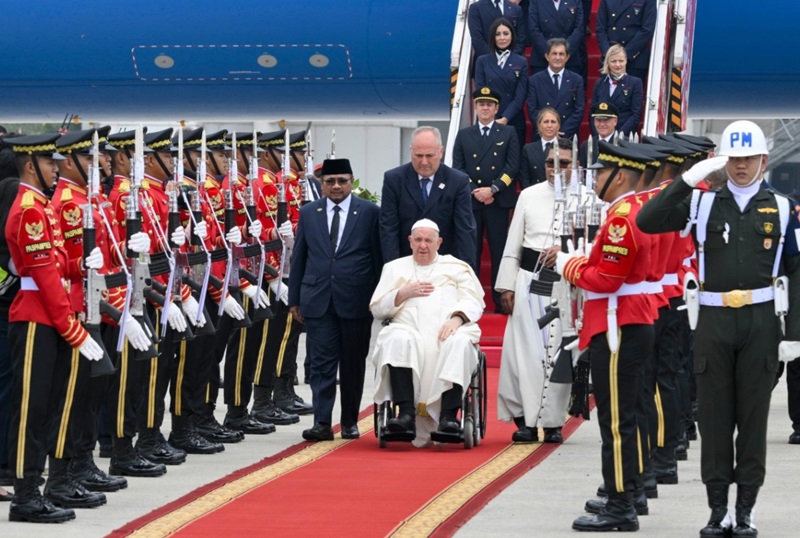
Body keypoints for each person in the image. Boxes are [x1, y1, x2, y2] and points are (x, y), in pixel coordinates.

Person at [637, 120, 800, 536]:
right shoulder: (701, 203)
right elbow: (648, 221)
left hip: (761, 323)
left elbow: (797, 273)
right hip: (712, 320)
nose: (741, 166)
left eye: (748, 159)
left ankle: (745, 509)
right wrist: (687, 181)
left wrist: (794, 333)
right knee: (713, 419)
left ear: (763, 161)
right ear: (722, 161)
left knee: (752, 420)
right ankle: (716, 509)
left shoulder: (783, 208)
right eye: (733, 159)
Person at [4, 134, 107, 523]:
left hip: (50, 316)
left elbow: (59, 266)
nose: (55, 169)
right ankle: (25, 495)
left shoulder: (42, 207)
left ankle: (43, 487)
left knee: (49, 408)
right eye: (50, 163)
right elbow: (44, 276)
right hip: (36, 318)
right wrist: (72, 329)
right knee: (31, 410)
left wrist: (82, 266)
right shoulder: (30, 209)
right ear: (31, 165)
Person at [557, 142, 655, 532]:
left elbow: (605, 279)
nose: (595, 178)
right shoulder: (630, 211)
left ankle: (620, 504)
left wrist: (569, 264)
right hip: (626, 321)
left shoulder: (622, 218)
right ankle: (625, 493)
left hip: (618, 325)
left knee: (615, 421)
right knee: (624, 415)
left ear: (621, 176)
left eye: (601, 173)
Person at [289, 158, 383, 441]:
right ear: (321, 184)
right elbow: (299, 258)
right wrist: (295, 299)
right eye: (330, 181)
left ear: (352, 181)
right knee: (321, 364)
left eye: (342, 180)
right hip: (318, 300)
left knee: (353, 364)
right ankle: (321, 422)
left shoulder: (368, 212)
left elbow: (378, 258)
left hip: (356, 301)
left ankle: (350, 421)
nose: (337, 186)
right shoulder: (309, 212)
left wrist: (379, 298)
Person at [495, 137, 582, 444]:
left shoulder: (587, 198)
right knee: (527, 355)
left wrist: (566, 249)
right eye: (550, 163)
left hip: (566, 286)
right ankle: (528, 423)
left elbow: (593, 246)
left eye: (564, 163)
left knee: (559, 355)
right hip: (527, 283)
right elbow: (513, 240)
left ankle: (554, 422)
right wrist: (505, 285)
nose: (556, 169)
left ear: (576, 166)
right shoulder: (528, 196)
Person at [371, 219, 484, 447]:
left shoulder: (457, 267)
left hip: (448, 330)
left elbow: (474, 300)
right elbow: (377, 309)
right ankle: (405, 414)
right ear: (410, 241)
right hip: (408, 330)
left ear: (439, 242)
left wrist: (457, 318)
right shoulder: (394, 268)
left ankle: (449, 417)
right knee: (396, 338)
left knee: (459, 342)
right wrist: (401, 293)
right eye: (418, 240)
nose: (423, 245)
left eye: (428, 240)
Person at [452, 87, 520, 311]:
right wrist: (475, 190)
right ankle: (470, 301)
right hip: (472, 202)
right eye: (481, 104)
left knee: (499, 252)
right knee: (470, 252)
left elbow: (512, 167)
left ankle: (501, 302)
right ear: (476, 107)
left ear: (496, 108)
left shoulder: (508, 133)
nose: (485, 108)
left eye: (489, 104)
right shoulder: (464, 135)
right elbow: (459, 168)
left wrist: (493, 189)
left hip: (497, 201)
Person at [380, 126, 476, 267]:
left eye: (430, 155)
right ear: (411, 151)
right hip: (406, 263)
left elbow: (465, 230)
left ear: (441, 152)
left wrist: (466, 271)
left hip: (445, 264)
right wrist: (393, 268)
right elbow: (388, 228)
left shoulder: (458, 182)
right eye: (418, 156)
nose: (424, 162)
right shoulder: (394, 179)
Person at [475, 18, 529, 151]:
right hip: (489, 120)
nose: (502, 38)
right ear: (492, 37)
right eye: (498, 34)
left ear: (512, 36)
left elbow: (520, 96)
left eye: (506, 33)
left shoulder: (521, 62)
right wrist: (493, 117)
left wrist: (505, 118)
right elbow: (480, 91)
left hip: (514, 120)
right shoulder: (482, 61)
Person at [527, 38, 585, 140]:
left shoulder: (576, 80)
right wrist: (548, 131)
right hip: (542, 137)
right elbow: (532, 109)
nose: (557, 57)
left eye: (561, 54)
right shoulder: (534, 80)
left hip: (566, 136)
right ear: (546, 56)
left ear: (567, 57)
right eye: (554, 54)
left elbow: (578, 110)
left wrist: (562, 132)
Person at [596, 0, 657, 83]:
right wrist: (609, 53)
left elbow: (647, 30)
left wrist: (624, 55)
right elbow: (601, 29)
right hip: (610, 58)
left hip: (634, 57)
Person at [590, 44, 643, 137]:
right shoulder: (600, 83)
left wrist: (618, 135)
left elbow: (636, 114)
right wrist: (598, 134)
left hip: (623, 136)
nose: (617, 65)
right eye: (613, 61)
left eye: (621, 61)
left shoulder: (635, 83)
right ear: (608, 62)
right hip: (601, 135)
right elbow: (592, 113)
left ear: (626, 61)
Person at [528, 0, 586, 80]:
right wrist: (549, 52)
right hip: (542, 58)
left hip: (569, 59)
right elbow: (533, 28)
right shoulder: (536, 1)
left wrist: (564, 51)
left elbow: (579, 29)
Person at [519, 107, 561, 189]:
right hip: (535, 194)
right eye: (545, 122)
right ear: (539, 125)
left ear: (558, 126)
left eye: (553, 122)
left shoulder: (566, 148)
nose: (549, 125)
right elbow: (524, 178)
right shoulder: (528, 149)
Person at [579, 102, 619, 168]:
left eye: (606, 120)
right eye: (598, 120)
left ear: (615, 121)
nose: (602, 124)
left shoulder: (623, 144)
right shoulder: (587, 145)